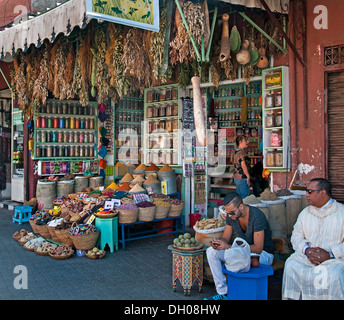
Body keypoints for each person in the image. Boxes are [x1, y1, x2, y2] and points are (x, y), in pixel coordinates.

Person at [204, 192, 274, 300]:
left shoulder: (257, 216)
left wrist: (228, 247)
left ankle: (240, 293)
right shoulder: (231, 215)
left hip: (263, 254)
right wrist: (219, 242)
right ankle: (223, 292)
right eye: (228, 213)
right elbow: (226, 237)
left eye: (232, 213)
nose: (230, 216)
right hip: (242, 253)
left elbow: (258, 248)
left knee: (240, 260)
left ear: (241, 206)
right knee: (211, 252)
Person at [282, 178, 344, 300]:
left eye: (310, 191)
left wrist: (330, 254)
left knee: (334, 273)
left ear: (323, 192)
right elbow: (296, 236)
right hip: (307, 258)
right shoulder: (305, 213)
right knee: (291, 264)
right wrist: (307, 250)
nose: (306, 195)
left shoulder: (341, 212)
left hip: (334, 260)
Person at [233, 135, 251, 199]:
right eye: (245, 140)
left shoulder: (236, 152)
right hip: (242, 178)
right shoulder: (241, 153)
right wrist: (248, 176)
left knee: (239, 198)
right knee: (244, 198)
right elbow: (243, 165)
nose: (248, 142)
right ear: (240, 142)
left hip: (237, 178)